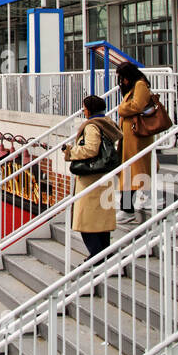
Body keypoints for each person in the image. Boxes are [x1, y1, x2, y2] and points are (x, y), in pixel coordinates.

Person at [62, 95, 121, 294]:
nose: (83, 110)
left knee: (86, 222)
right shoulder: (107, 123)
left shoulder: (92, 126)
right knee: (100, 223)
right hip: (103, 179)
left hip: (92, 180)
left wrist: (71, 151)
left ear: (89, 109)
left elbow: (91, 149)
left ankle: (96, 256)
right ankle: (103, 256)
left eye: (84, 107)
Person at [115, 61, 154, 222]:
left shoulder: (140, 85)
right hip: (129, 136)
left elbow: (137, 106)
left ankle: (127, 209)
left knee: (131, 172)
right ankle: (130, 205)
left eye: (122, 77)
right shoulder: (135, 86)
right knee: (129, 171)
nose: (121, 81)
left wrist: (121, 109)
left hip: (136, 136)